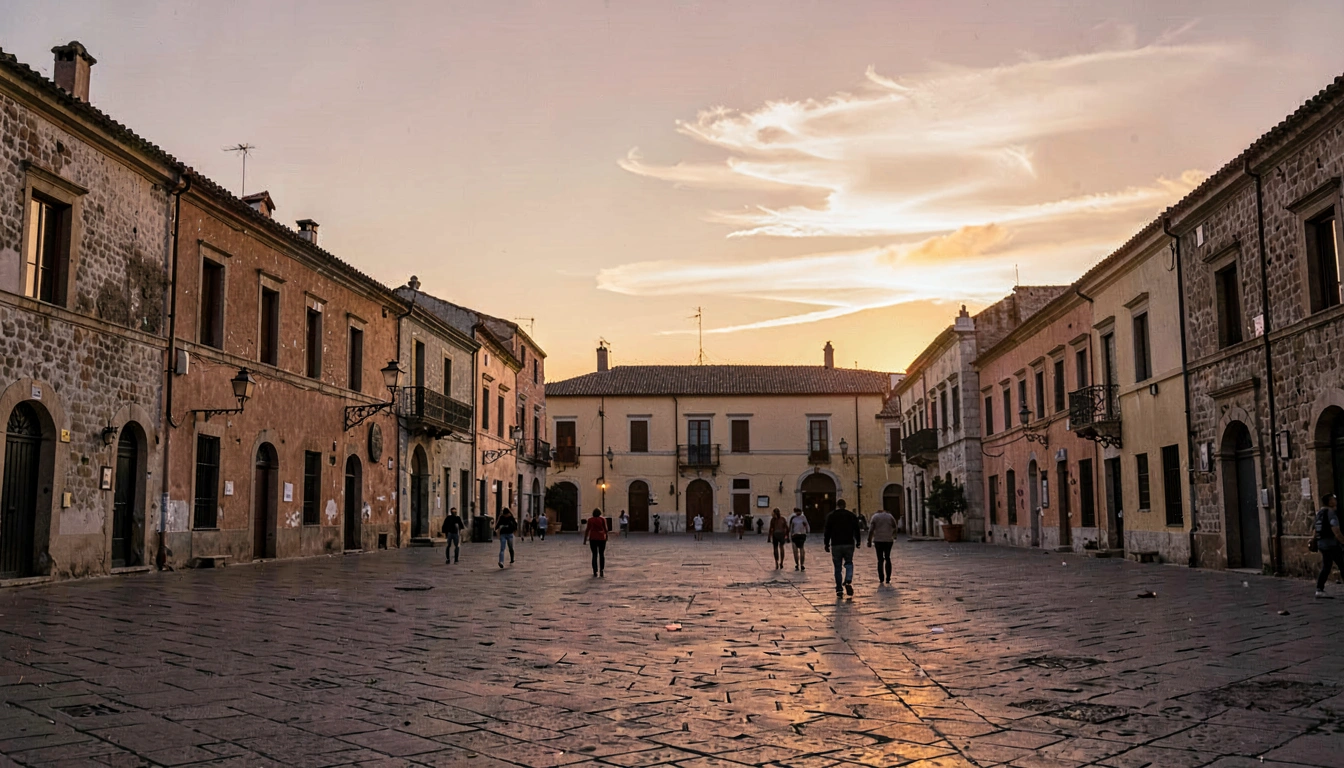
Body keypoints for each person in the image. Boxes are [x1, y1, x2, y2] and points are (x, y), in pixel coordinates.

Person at [824, 499, 861, 598]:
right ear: (845, 505)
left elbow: (827, 531)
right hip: (849, 543)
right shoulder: (851, 516)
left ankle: (839, 589)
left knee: (837, 567)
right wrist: (858, 541)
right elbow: (857, 529)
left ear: (837, 505)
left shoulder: (831, 516)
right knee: (849, 562)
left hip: (836, 544)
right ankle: (848, 579)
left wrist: (826, 544)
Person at [1315, 493, 1344, 598]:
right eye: (1333, 499)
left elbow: (1315, 529)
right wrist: (1342, 541)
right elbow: (1336, 530)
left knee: (1327, 566)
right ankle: (1319, 589)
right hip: (1331, 544)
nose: (1335, 500)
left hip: (1322, 543)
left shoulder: (1320, 513)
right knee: (1342, 564)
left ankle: (1319, 589)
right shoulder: (1331, 513)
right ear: (1330, 502)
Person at [868, 506, 897, 585]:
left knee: (880, 559)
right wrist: (894, 536)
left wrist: (869, 540)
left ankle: (881, 578)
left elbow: (871, 529)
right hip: (888, 540)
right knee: (888, 558)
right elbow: (895, 526)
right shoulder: (890, 516)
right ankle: (888, 578)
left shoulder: (875, 517)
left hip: (878, 540)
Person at [583, 508, 608, 577]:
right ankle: (602, 570)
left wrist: (585, 540)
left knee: (594, 554)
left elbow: (587, 530)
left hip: (593, 538)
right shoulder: (603, 519)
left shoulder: (590, 520)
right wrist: (606, 537)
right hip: (601, 538)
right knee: (601, 554)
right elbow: (605, 529)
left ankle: (595, 571)